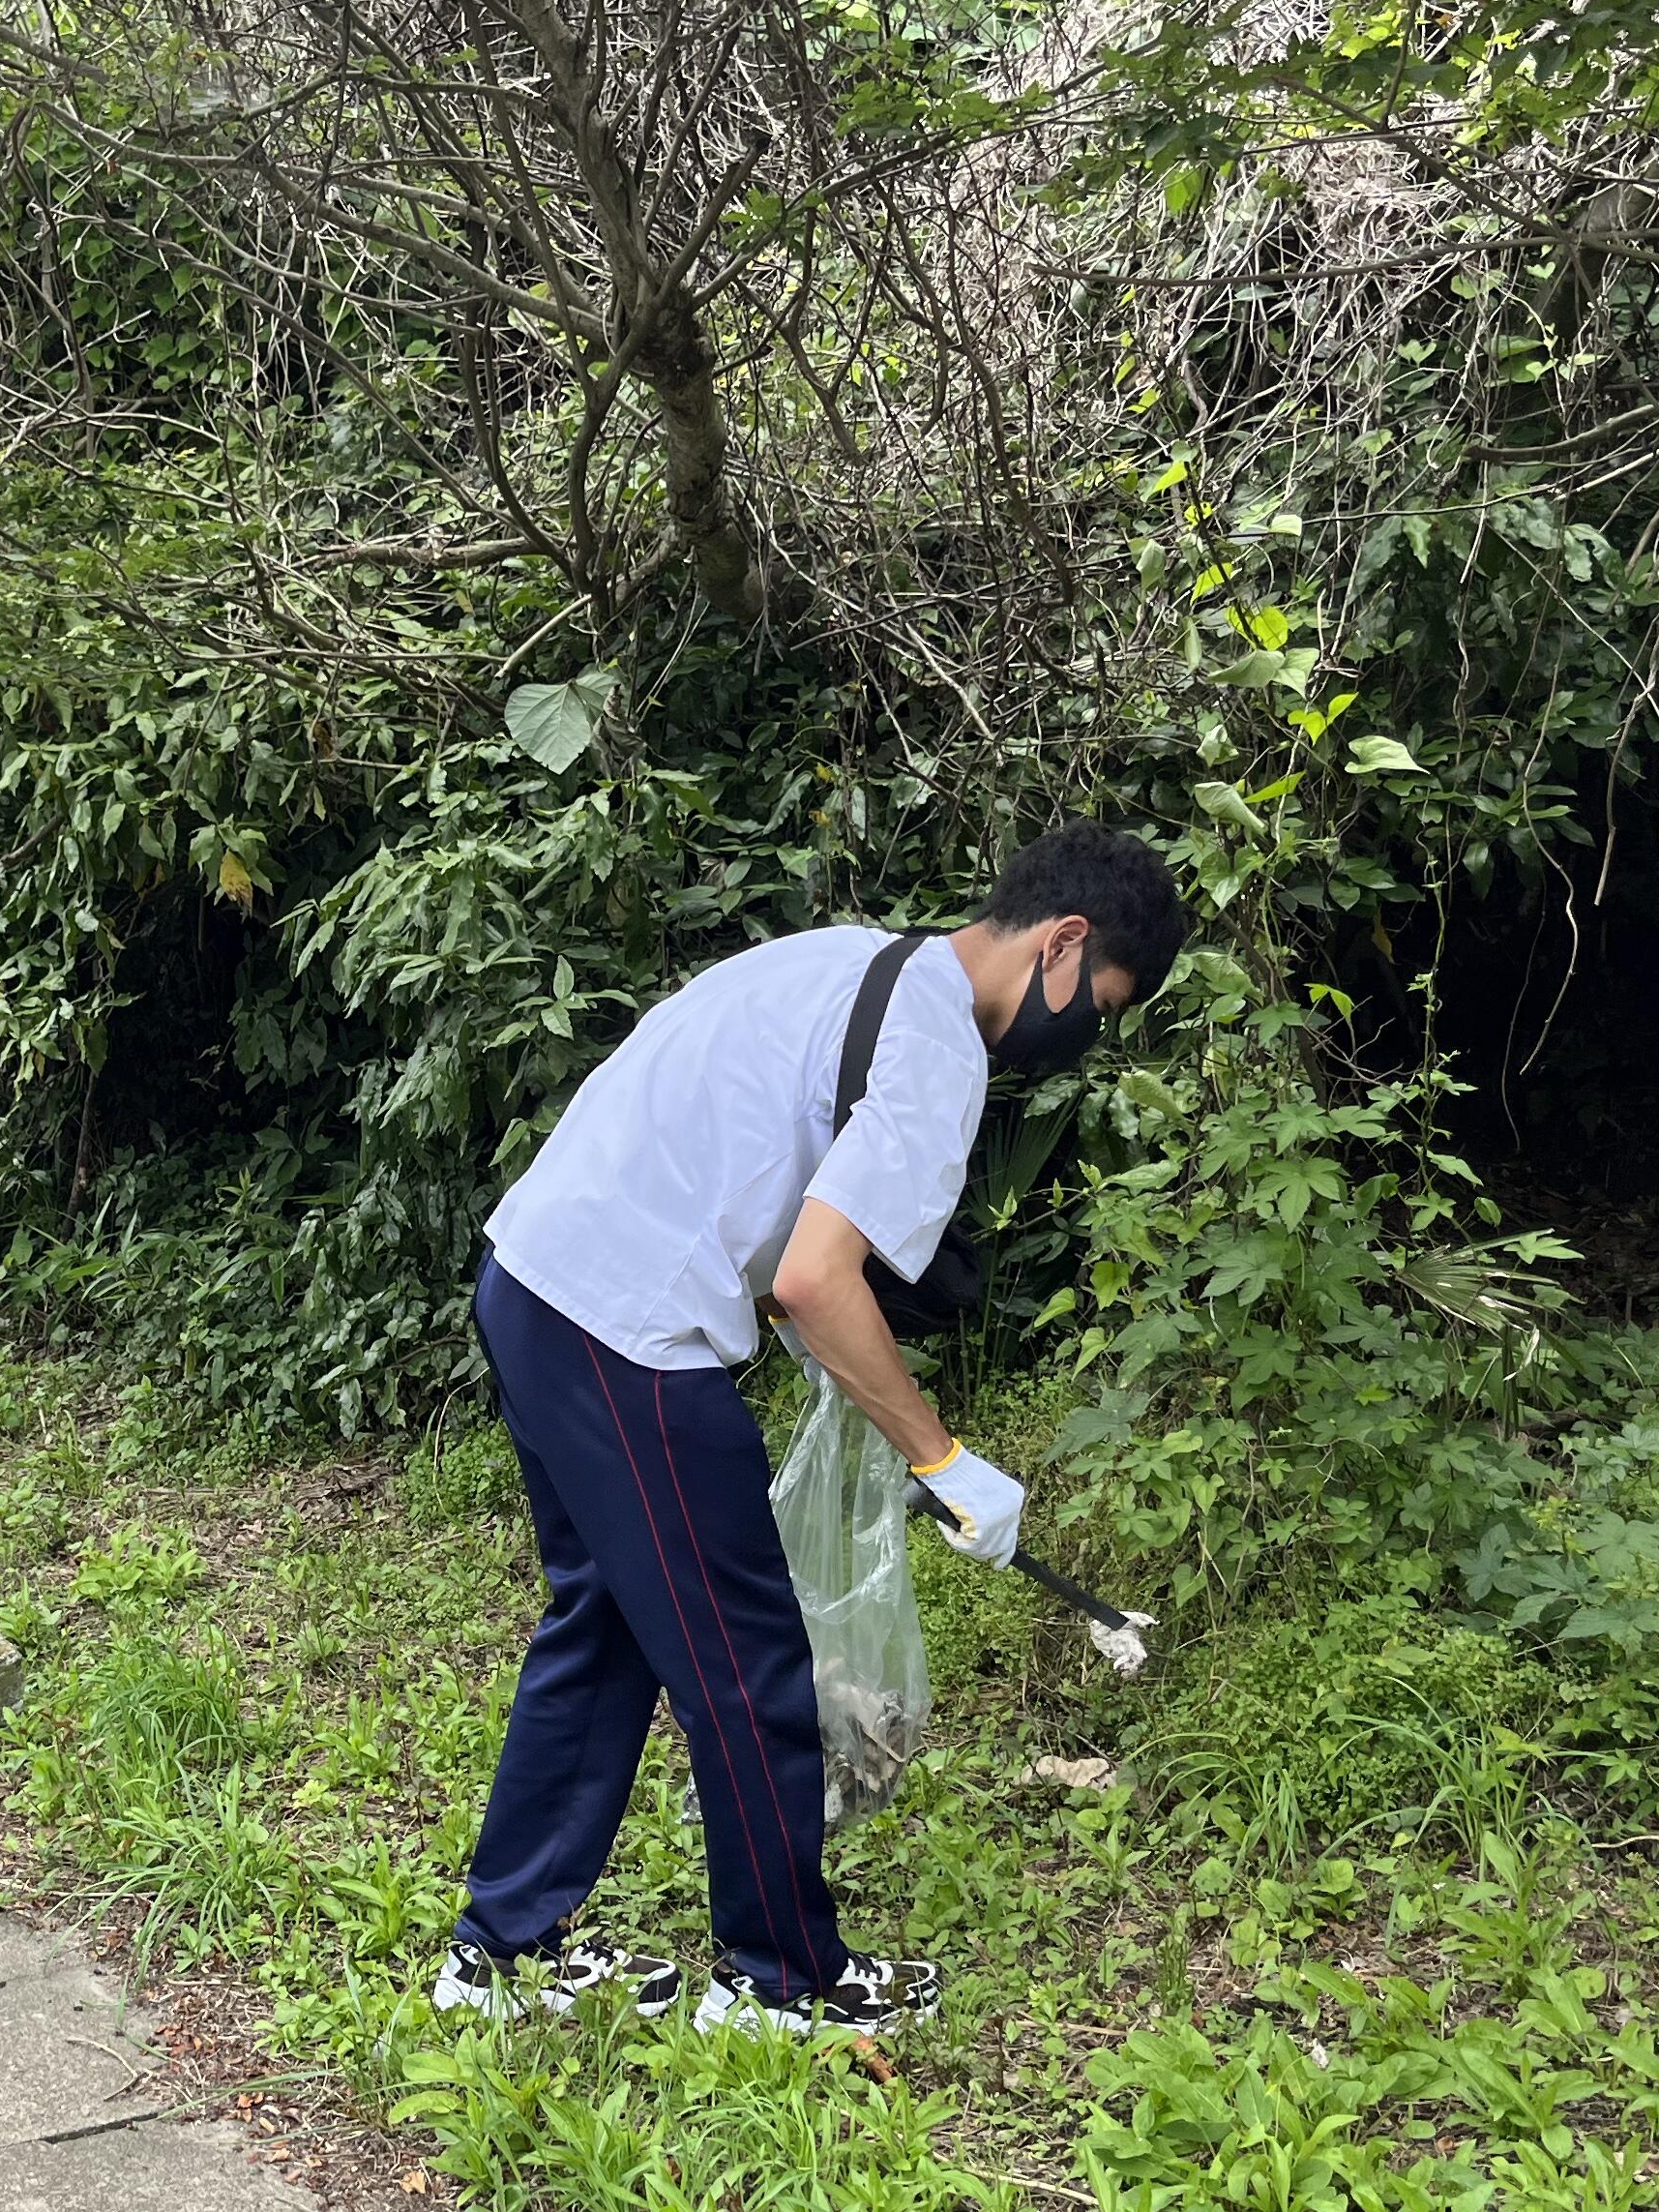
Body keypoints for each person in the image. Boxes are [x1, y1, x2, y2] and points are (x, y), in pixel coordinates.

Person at [447, 821, 1187, 2035]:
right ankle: (781, 1980)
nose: (1083, 1037)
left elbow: (764, 1200)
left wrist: (864, 1401)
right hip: (626, 1327)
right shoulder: (939, 1052)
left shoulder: (856, 961)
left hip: (533, 1280)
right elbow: (814, 1278)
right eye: (1098, 1006)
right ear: (1063, 943)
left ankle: (498, 1955)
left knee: (611, 1623)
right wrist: (942, 1458)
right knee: (747, 1660)